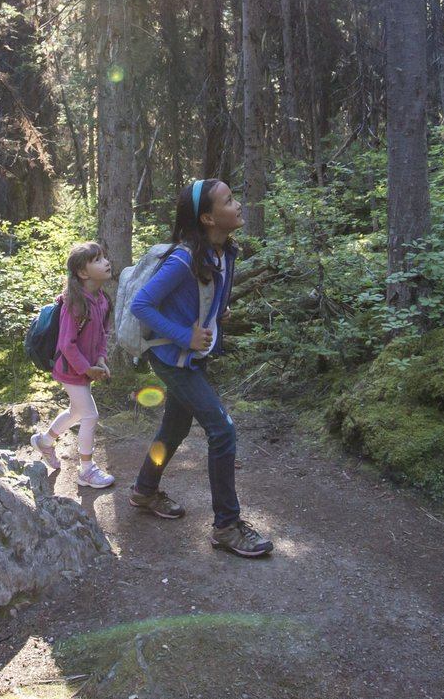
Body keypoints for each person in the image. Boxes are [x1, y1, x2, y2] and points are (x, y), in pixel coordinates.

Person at [126, 178, 275, 558]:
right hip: (172, 358)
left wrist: (216, 313)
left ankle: (144, 490)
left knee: (174, 425)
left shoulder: (223, 252)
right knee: (222, 430)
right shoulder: (182, 259)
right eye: (228, 200)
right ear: (208, 217)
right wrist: (184, 335)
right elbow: (141, 305)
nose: (238, 204)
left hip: (189, 357)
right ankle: (226, 525)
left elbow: (210, 296)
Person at [32, 240, 117, 488]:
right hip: (70, 370)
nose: (106, 262)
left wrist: (100, 360)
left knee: (77, 412)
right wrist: (86, 368)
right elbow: (67, 344)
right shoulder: (75, 302)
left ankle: (44, 442)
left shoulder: (102, 299)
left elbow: (103, 334)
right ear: (82, 272)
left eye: (104, 257)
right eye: (98, 260)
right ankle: (86, 470)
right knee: (90, 415)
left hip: (85, 369)